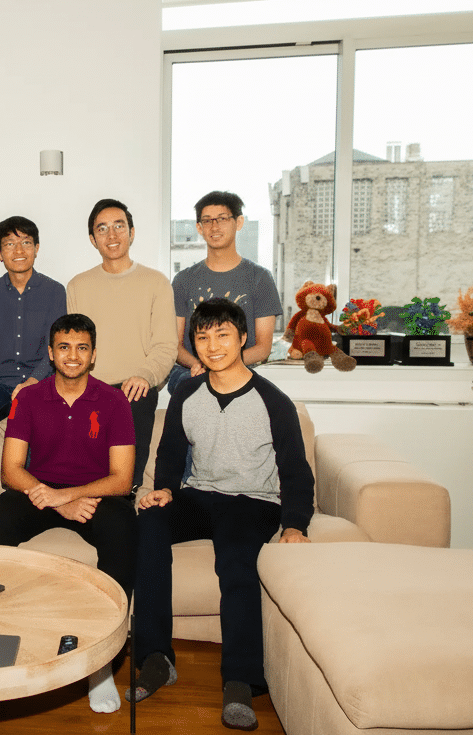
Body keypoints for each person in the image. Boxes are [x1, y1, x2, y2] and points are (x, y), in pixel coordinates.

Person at [130, 298, 314, 731]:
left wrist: (295, 525)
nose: (212, 345)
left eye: (222, 335)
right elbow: (172, 452)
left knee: (235, 557)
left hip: (253, 502)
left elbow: (295, 470)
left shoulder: (273, 401)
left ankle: (241, 679)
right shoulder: (188, 393)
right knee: (148, 525)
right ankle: (155, 657)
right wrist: (164, 492)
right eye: (203, 336)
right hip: (200, 495)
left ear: (243, 338)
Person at [0, 313, 136, 715]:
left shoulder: (114, 400)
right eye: (64, 347)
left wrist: (69, 495)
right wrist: (54, 498)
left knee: (123, 529)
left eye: (82, 347)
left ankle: (100, 663)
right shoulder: (29, 398)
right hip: (38, 492)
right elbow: (11, 470)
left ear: (94, 354)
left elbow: (121, 480)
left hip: (95, 495)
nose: (72, 355)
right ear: (50, 352)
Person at [65, 199, 175, 490]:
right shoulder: (78, 285)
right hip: (91, 388)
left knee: (135, 400)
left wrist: (145, 375)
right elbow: (74, 348)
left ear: (132, 232)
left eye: (119, 227)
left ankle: (129, 491)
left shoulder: (156, 282)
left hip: (134, 387)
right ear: (93, 239)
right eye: (102, 229)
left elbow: (165, 345)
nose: (111, 235)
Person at [0, 216, 66, 513]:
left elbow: (55, 347)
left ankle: (35, 490)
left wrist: (33, 382)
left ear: (36, 248)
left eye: (25, 243)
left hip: (41, 380)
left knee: (39, 412)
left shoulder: (54, 291)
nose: (18, 250)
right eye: (9, 244)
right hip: (0, 380)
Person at [167, 191, 282, 393]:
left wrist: (223, 365)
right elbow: (175, 345)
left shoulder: (260, 278)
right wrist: (203, 365)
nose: (214, 226)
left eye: (222, 219)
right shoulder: (183, 280)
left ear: (238, 222)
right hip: (193, 371)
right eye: (207, 220)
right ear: (199, 228)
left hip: (241, 370)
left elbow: (263, 348)